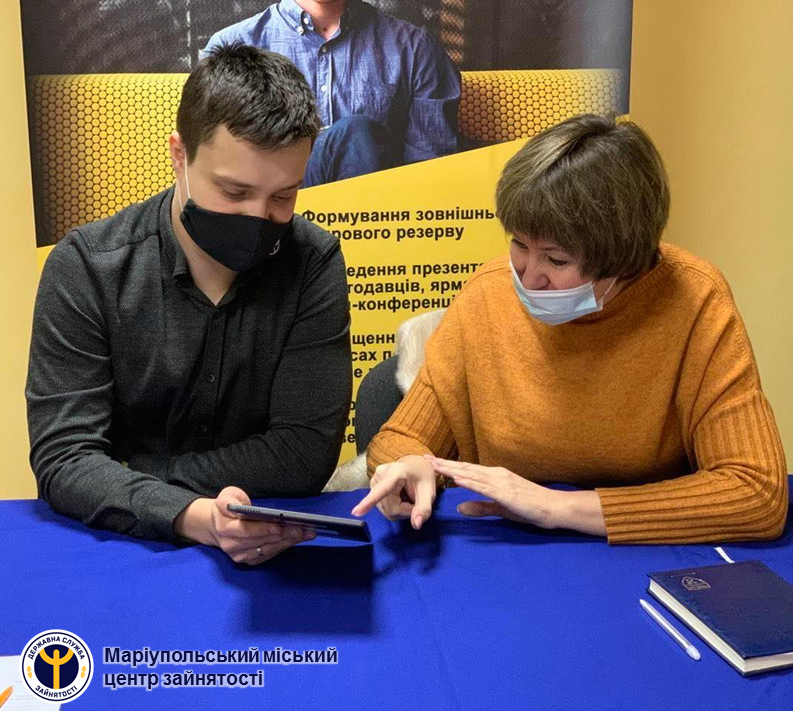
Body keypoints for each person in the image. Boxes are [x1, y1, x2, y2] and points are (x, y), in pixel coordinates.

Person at [352, 113, 788, 544]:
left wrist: (555, 509)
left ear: (624, 259)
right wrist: (411, 466)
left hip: (641, 556)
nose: (528, 276)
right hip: (503, 550)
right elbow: (400, 440)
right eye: (519, 244)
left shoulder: (694, 300)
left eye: (557, 259)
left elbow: (757, 493)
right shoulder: (486, 295)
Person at [26, 43, 353, 564]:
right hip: (117, 547)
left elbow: (303, 453)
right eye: (234, 192)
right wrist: (191, 515)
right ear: (180, 156)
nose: (257, 216)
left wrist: (137, 476)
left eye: (282, 196)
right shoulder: (87, 267)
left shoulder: (313, 262)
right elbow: (65, 457)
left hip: (266, 547)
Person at [201, 0, 461, 186]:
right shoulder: (232, 47)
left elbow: (429, 169)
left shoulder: (415, 48)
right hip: (274, 216)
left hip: (378, 221)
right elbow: (219, 165)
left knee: (356, 133)